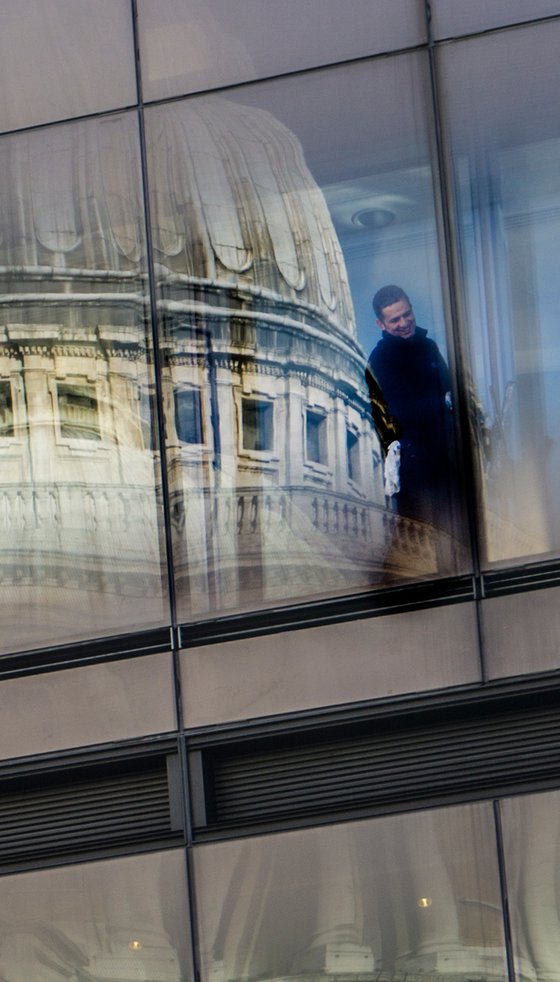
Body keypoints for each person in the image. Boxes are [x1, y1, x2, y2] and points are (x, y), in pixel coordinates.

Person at [365, 285, 455, 530]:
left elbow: (450, 392)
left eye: (407, 314)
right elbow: (400, 414)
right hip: (415, 468)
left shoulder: (429, 347)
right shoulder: (380, 360)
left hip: (448, 459)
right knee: (426, 536)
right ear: (381, 324)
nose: (404, 322)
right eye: (395, 319)